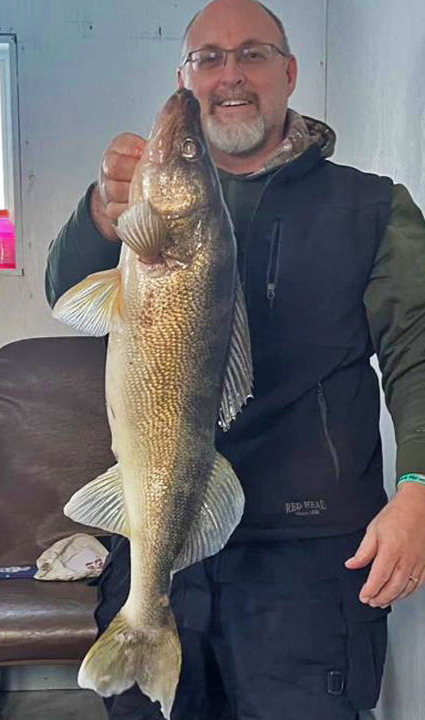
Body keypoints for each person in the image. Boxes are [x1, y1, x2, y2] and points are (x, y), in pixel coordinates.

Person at [45, 1, 425, 718]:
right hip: (158, 543)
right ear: (185, 79)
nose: (230, 75)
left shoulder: (374, 208)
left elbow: (421, 351)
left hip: (308, 564)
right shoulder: (136, 217)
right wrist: (99, 211)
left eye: (252, 54)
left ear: (288, 72)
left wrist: (420, 485)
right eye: (208, 58)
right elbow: (63, 289)